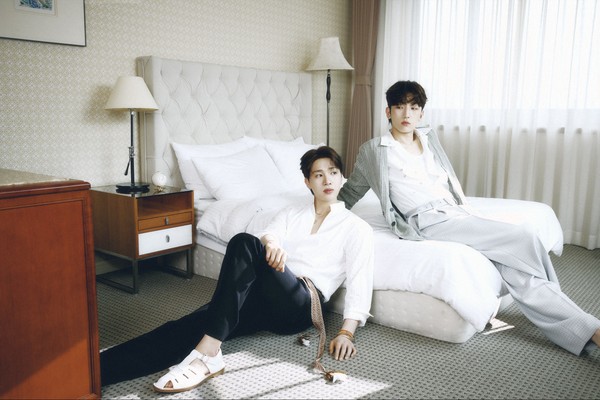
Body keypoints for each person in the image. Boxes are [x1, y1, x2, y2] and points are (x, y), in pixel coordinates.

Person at [338, 80, 600, 356]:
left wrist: (462, 207)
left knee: (513, 269)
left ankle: (588, 329)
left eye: (414, 108)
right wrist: (321, 210)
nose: (407, 114)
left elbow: (447, 181)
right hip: (426, 221)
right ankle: (560, 298)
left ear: (421, 113)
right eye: (400, 107)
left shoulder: (428, 139)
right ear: (388, 111)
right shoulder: (375, 150)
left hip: (455, 211)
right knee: (523, 235)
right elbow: (352, 190)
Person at [100, 146, 374, 393]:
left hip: (301, 304)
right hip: (267, 294)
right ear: (307, 182)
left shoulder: (356, 228)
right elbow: (270, 232)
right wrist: (272, 244)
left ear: (341, 177)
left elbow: (360, 282)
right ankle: (100, 369)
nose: (327, 181)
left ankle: (209, 354)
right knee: (193, 325)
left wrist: (346, 333)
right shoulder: (292, 213)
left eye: (333, 173)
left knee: (244, 242)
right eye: (318, 175)